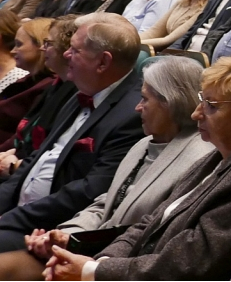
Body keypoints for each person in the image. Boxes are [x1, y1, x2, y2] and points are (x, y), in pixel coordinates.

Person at [44, 53, 231, 280]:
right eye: (201, 100)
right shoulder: (223, 154)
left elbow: (190, 261)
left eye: (212, 106)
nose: (197, 113)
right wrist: (100, 262)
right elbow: (150, 222)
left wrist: (93, 271)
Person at [0, 56, 212, 280]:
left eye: (144, 99)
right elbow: (105, 202)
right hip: (88, 248)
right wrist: (64, 235)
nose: (137, 108)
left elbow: (150, 231)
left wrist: (80, 251)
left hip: (120, 264)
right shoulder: (144, 143)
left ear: (170, 103)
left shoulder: (197, 158)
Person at [0, 13, 146, 254]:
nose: (66, 54)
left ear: (103, 62)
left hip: (50, 231)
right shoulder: (79, 90)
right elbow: (36, 159)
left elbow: (89, 192)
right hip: (19, 214)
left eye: (75, 51)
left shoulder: (133, 115)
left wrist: (11, 218)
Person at [0, 17, 77, 178]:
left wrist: (14, 163)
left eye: (48, 43)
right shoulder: (54, 85)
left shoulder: (63, 87)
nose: (43, 48)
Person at [0, 18, 55, 151]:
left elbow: (23, 134)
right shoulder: (29, 80)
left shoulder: (49, 86)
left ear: (41, 46)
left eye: (19, 44)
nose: (13, 51)